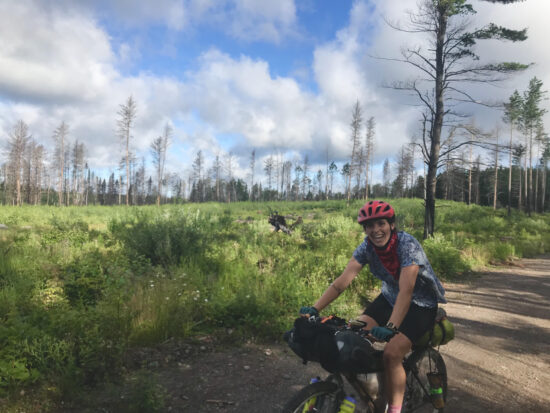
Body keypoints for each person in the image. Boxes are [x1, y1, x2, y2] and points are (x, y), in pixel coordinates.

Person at [300, 200, 446, 413]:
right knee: (351, 335)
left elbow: (407, 291)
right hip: (388, 298)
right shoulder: (366, 248)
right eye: (370, 226)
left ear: (391, 224)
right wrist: (315, 308)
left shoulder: (407, 245)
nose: (376, 230)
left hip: (420, 304)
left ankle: (394, 409)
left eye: (381, 223)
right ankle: (376, 389)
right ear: (365, 229)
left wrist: (391, 326)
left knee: (392, 353)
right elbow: (342, 282)